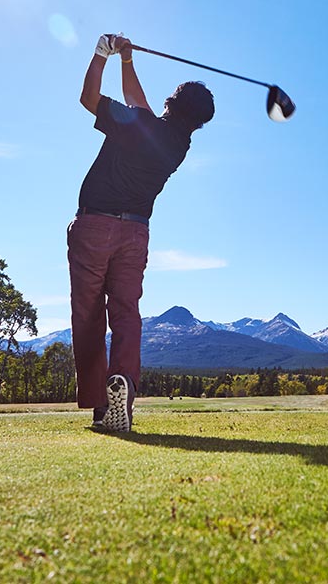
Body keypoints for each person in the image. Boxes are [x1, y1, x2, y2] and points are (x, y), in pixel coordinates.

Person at [68, 33, 215, 432]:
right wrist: (127, 60)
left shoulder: (142, 125)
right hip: (136, 234)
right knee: (127, 314)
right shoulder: (177, 145)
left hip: (95, 225)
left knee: (88, 315)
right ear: (198, 122)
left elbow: (89, 98)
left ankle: (101, 404)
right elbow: (139, 105)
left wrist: (102, 54)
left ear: (171, 103)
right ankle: (124, 394)